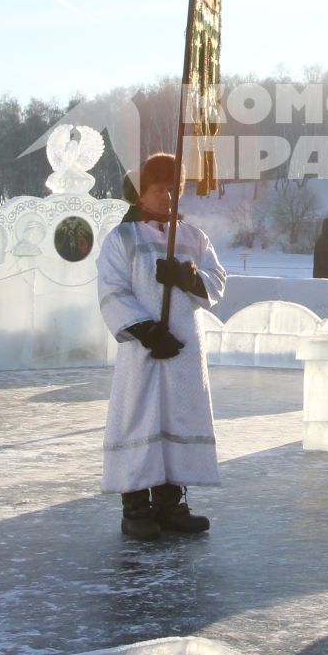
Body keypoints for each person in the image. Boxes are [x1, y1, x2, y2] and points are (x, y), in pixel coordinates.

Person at [96, 152, 227, 540]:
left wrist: (189, 278)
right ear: (140, 194)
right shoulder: (123, 238)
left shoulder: (192, 237)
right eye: (158, 189)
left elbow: (217, 282)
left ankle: (171, 502)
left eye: (173, 189)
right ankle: (136, 506)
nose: (167, 197)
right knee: (139, 417)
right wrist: (148, 331)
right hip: (144, 350)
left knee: (178, 417)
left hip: (185, 348)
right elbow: (112, 291)